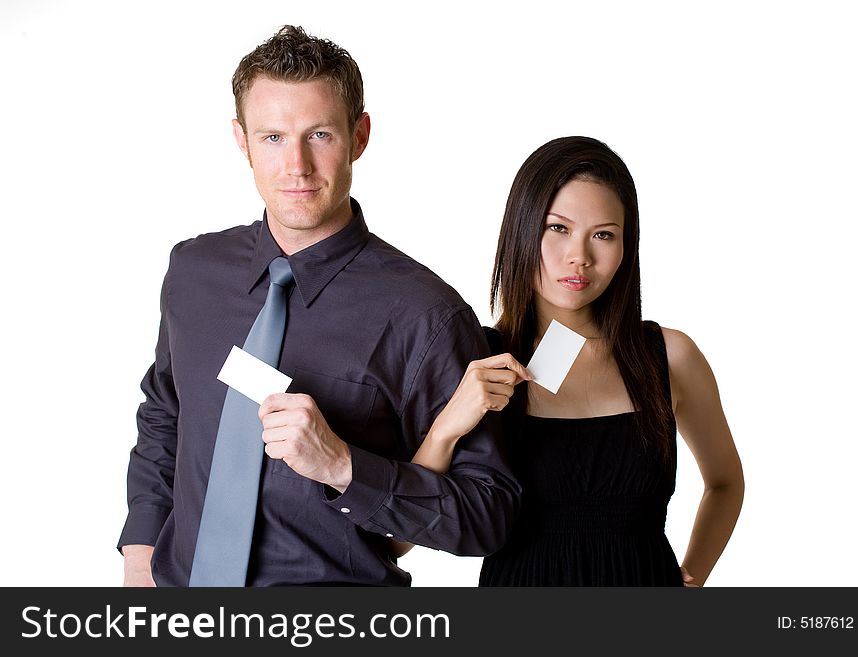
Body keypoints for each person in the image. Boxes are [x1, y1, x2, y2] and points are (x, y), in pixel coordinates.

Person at [118, 25, 519, 587]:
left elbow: (488, 514)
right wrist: (140, 556)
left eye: (320, 134)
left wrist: (343, 466)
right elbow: (165, 413)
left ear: (359, 136)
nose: (297, 166)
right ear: (242, 140)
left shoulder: (425, 314)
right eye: (273, 138)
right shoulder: (193, 272)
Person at [398, 136, 744, 586]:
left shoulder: (670, 356)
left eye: (603, 235)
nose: (579, 256)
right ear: (521, 229)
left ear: (626, 248)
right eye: (557, 228)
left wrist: (692, 579)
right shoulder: (475, 361)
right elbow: (399, 540)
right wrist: (447, 427)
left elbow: (725, 483)